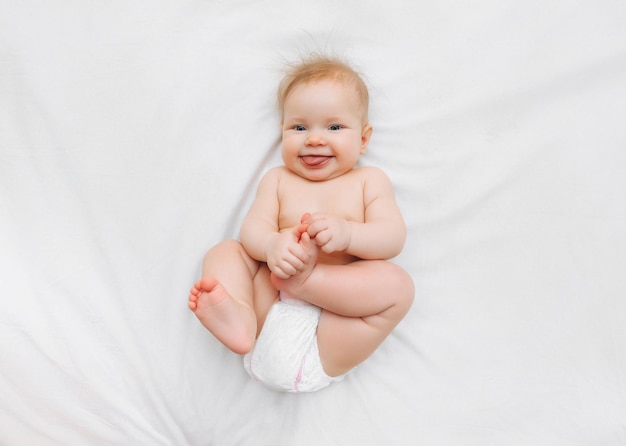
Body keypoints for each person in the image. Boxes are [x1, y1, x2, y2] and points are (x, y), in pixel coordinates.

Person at [188, 55, 414, 392]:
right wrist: (271, 245)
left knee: (397, 285)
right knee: (226, 251)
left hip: (329, 333)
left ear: (364, 139)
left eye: (334, 127)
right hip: (267, 317)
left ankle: (306, 281)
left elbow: (392, 238)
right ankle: (239, 316)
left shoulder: (369, 181)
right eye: (299, 127)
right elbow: (253, 229)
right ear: (282, 132)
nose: (314, 139)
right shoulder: (277, 179)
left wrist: (349, 233)